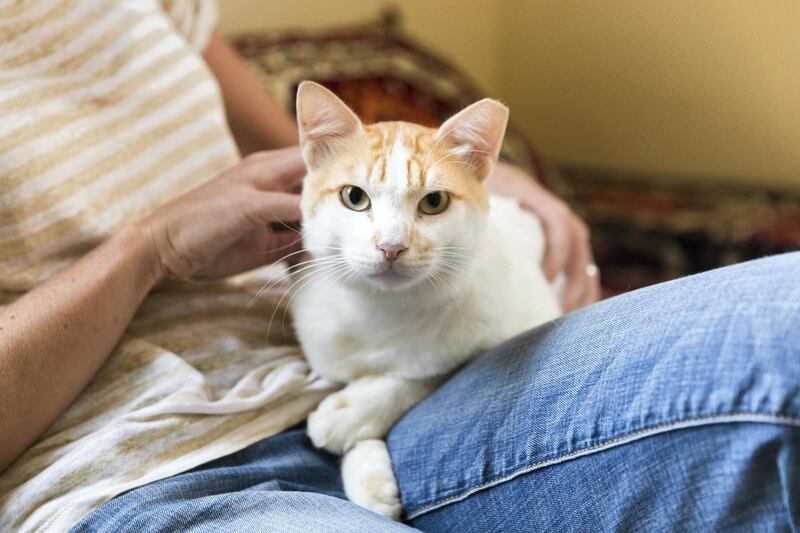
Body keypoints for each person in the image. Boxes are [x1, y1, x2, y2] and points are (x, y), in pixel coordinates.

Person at [0, 2, 796, 532]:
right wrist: (152, 245)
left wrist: (444, 174)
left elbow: (310, 153)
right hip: (139, 470)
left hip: (353, 380)